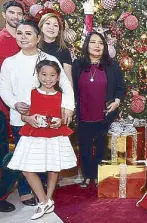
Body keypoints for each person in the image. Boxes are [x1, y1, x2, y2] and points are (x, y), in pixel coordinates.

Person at [0, 19, 74, 207]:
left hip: (48, 120)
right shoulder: (10, 62)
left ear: (37, 37)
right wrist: (15, 104)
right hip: (22, 119)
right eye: (19, 33)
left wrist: (68, 107)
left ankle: (42, 193)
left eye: (28, 33)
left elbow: (65, 85)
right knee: (24, 157)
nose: (23, 37)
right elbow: (4, 89)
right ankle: (25, 192)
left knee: (44, 157)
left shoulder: (48, 59)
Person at [7, 59, 77, 220]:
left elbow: (63, 117)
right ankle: (43, 200)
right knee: (27, 169)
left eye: (52, 75)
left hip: (54, 136)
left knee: (54, 167)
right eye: (44, 75)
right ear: (38, 75)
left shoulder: (62, 96)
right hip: (34, 136)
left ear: (58, 77)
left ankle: (48, 199)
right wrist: (29, 118)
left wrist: (59, 121)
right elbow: (24, 114)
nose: (48, 79)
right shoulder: (31, 93)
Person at [72, 31, 125, 187]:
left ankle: (98, 175)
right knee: (85, 145)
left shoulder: (112, 66)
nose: (97, 46)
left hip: (105, 114)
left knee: (102, 146)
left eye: (100, 43)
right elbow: (71, 87)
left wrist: (116, 102)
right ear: (87, 45)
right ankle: (87, 175)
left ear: (105, 47)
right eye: (93, 42)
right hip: (84, 113)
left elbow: (121, 87)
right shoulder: (78, 65)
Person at [0, 0, 29, 212]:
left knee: (22, 150)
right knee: (3, 152)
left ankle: (23, 191)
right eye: (11, 12)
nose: (15, 16)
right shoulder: (1, 39)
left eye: (19, 12)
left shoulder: (26, 40)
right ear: (4, 14)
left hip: (23, 110)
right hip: (2, 108)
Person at [38, 12, 73, 84]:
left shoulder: (64, 50)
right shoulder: (33, 47)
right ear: (41, 26)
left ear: (59, 30)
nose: (51, 27)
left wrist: (70, 94)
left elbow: (68, 77)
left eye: (55, 25)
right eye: (48, 23)